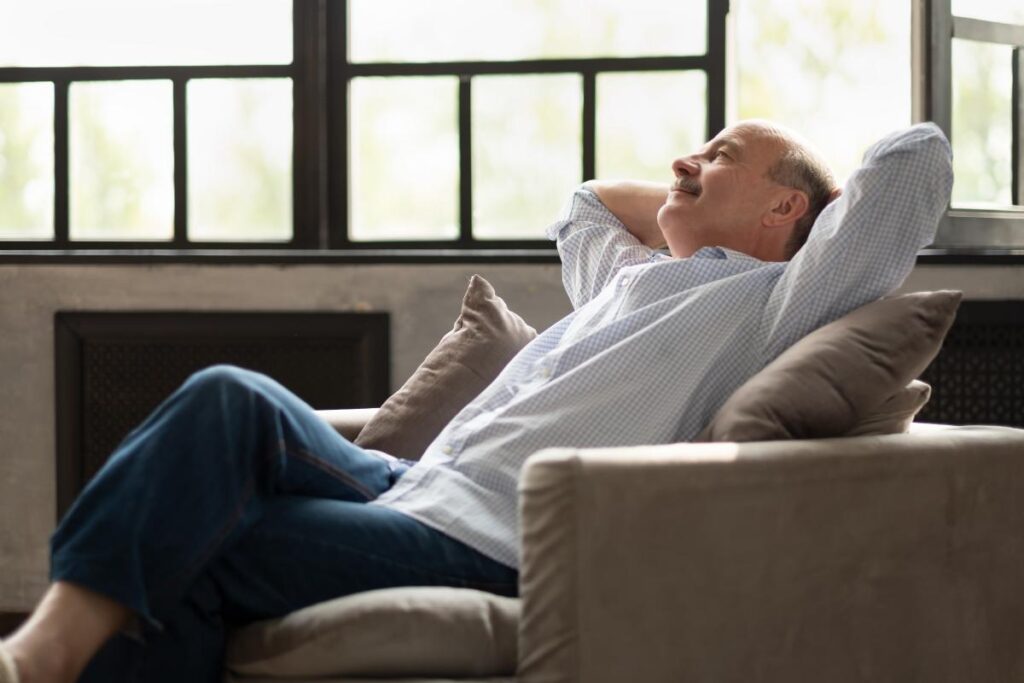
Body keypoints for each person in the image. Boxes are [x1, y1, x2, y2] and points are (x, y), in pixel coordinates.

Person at [0, 120, 952, 683]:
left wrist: (788, 198)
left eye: (719, 152)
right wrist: (699, 194)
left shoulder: (767, 308)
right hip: (408, 486)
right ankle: (48, 646)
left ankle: (40, 661)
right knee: (224, 397)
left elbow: (914, 161)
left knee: (205, 542)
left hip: (487, 541)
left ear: (787, 212)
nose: (682, 162)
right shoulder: (629, 280)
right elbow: (581, 203)